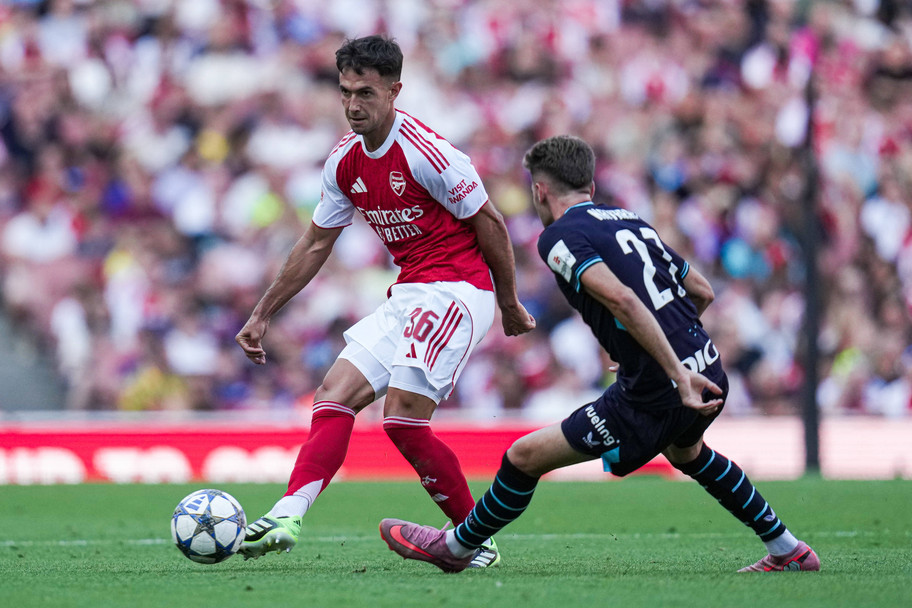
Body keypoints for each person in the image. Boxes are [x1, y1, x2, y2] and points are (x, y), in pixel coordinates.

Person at [379, 135, 820, 574]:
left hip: (663, 386)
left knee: (523, 457)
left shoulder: (559, 236)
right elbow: (700, 291)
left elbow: (624, 301)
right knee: (689, 454)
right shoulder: (629, 220)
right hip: (707, 366)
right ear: (589, 184)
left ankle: (456, 547)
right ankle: (788, 548)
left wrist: (669, 369)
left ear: (540, 191)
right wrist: (662, 349)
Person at [234, 35, 535, 566]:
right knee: (332, 396)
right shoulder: (343, 162)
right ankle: (288, 512)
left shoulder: (429, 153)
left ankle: (476, 539)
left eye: (366, 93)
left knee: (401, 419)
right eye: (346, 92)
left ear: (395, 90)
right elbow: (316, 242)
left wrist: (508, 303)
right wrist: (262, 313)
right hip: (411, 291)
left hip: (458, 290)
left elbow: (490, 222)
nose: (353, 105)